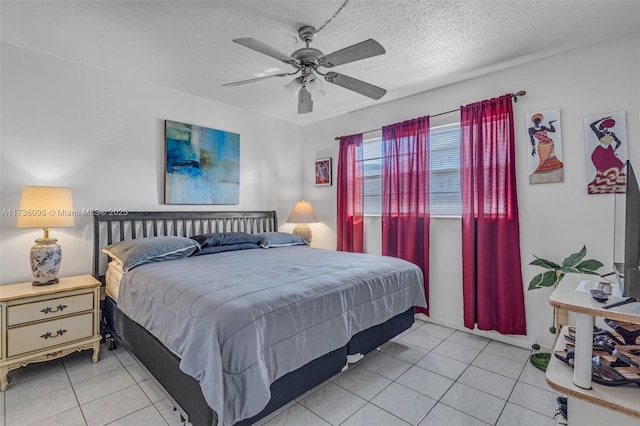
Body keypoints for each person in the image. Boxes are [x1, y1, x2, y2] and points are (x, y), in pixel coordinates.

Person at [588, 116, 625, 194]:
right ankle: (604, 184)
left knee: (619, 165)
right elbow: (591, 125)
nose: (603, 127)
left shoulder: (610, 134)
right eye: (602, 125)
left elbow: (619, 142)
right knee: (603, 169)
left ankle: (614, 183)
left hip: (609, 151)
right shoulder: (600, 134)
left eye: (603, 125)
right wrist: (601, 119)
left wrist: (614, 151)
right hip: (599, 152)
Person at [528, 113, 563, 183]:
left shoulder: (543, 127)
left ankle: (552, 175)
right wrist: (533, 149)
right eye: (536, 120)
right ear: (534, 121)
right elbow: (532, 139)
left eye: (538, 120)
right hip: (541, 146)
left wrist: (550, 124)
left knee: (551, 158)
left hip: (550, 144)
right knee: (543, 161)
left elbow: (553, 130)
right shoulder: (531, 129)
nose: (537, 121)